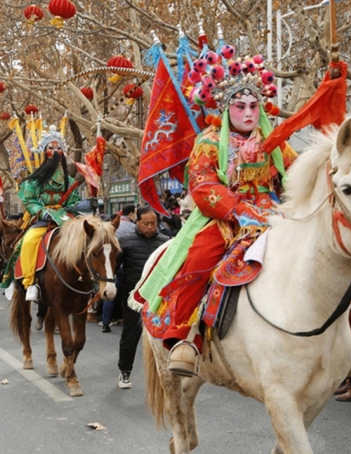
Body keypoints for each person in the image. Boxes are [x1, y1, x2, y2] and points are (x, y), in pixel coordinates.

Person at [134, 50, 297, 377]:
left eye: (254, 106)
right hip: (224, 216)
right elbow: (202, 182)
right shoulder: (209, 140)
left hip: (274, 212)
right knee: (199, 258)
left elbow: (294, 172)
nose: (249, 112)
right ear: (226, 108)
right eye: (241, 106)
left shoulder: (273, 140)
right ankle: (185, 337)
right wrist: (237, 210)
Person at [4, 125, 80, 305]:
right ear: (44, 152)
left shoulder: (68, 179)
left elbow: (72, 200)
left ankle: (87, 278)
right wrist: (43, 211)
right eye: (51, 148)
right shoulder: (36, 179)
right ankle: (30, 282)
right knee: (30, 240)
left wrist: (74, 207)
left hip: (64, 216)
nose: (55, 151)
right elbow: (30, 200)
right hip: (43, 217)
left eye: (58, 148)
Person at [116, 205, 169, 389]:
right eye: (146, 223)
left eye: (153, 224)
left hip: (159, 298)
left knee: (161, 336)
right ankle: (124, 372)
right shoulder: (124, 241)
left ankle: (163, 373)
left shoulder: (165, 241)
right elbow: (114, 269)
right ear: (136, 222)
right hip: (133, 297)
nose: (150, 227)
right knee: (131, 335)